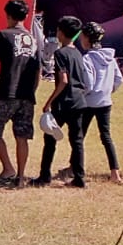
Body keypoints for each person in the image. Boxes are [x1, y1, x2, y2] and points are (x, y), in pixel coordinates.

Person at [0, 0, 39, 186]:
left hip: (6, 92)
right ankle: (21, 177)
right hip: (27, 96)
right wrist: (31, 92)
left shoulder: (4, 35)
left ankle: (8, 168)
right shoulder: (34, 40)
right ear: (26, 15)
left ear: (8, 15)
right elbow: (38, 72)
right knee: (22, 137)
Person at [33, 16, 89, 187]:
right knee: (77, 141)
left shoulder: (60, 53)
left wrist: (49, 102)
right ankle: (79, 177)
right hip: (79, 101)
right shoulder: (78, 53)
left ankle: (44, 176)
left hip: (64, 101)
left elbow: (63, 80)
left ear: (61, 33)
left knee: (50, 138)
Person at [79, 21, 123, 184]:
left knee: (79, 136)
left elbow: (88, 83)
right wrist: (107, 90)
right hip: (105, 102)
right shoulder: (110, 58)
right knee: (106, 137)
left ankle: (75, 169)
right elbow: (119, 79)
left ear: (86, 38)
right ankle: (115, 172)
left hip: (89, 102)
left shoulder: (87, 59)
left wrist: (83, 94)